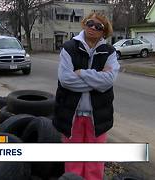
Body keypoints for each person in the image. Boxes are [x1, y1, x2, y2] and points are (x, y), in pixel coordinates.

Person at [53, 12, 120, 180]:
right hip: (72, 115)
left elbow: (109, 81)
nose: (93, 28)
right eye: (90, 23)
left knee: (95, 164)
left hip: (97, 117)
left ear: (104, 32)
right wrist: (97, 81)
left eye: (98, 26)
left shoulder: (109, 52)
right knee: (73, 162)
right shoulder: (69, 48)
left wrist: (82, 73)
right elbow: (66, 80)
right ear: (84, 24)